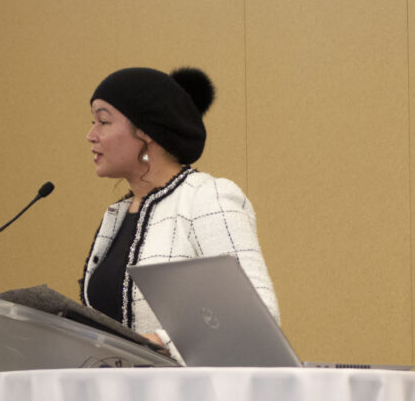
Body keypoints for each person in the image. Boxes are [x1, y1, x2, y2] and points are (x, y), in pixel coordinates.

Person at [82, 66, 279, 359]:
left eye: (103, 121)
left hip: (187, 399)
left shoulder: (206, 197)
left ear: (146, 131)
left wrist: (153, 343)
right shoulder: (117, 215)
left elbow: (258, 315)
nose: (91, 135)